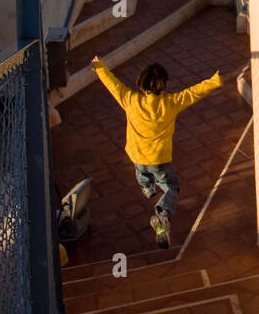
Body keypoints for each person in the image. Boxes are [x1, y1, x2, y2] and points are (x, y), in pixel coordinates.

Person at [90, 55, 222, 247]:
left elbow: (113, 84)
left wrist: (98, 66)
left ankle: (148, 188)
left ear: (141, 83)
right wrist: (214, 81)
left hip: (136, 155)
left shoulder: (130, 99)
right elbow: (194, 93)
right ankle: (162, 214)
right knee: (171, 187)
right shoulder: (171, 102)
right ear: (164, 84)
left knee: (141, 172)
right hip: (159, 159)